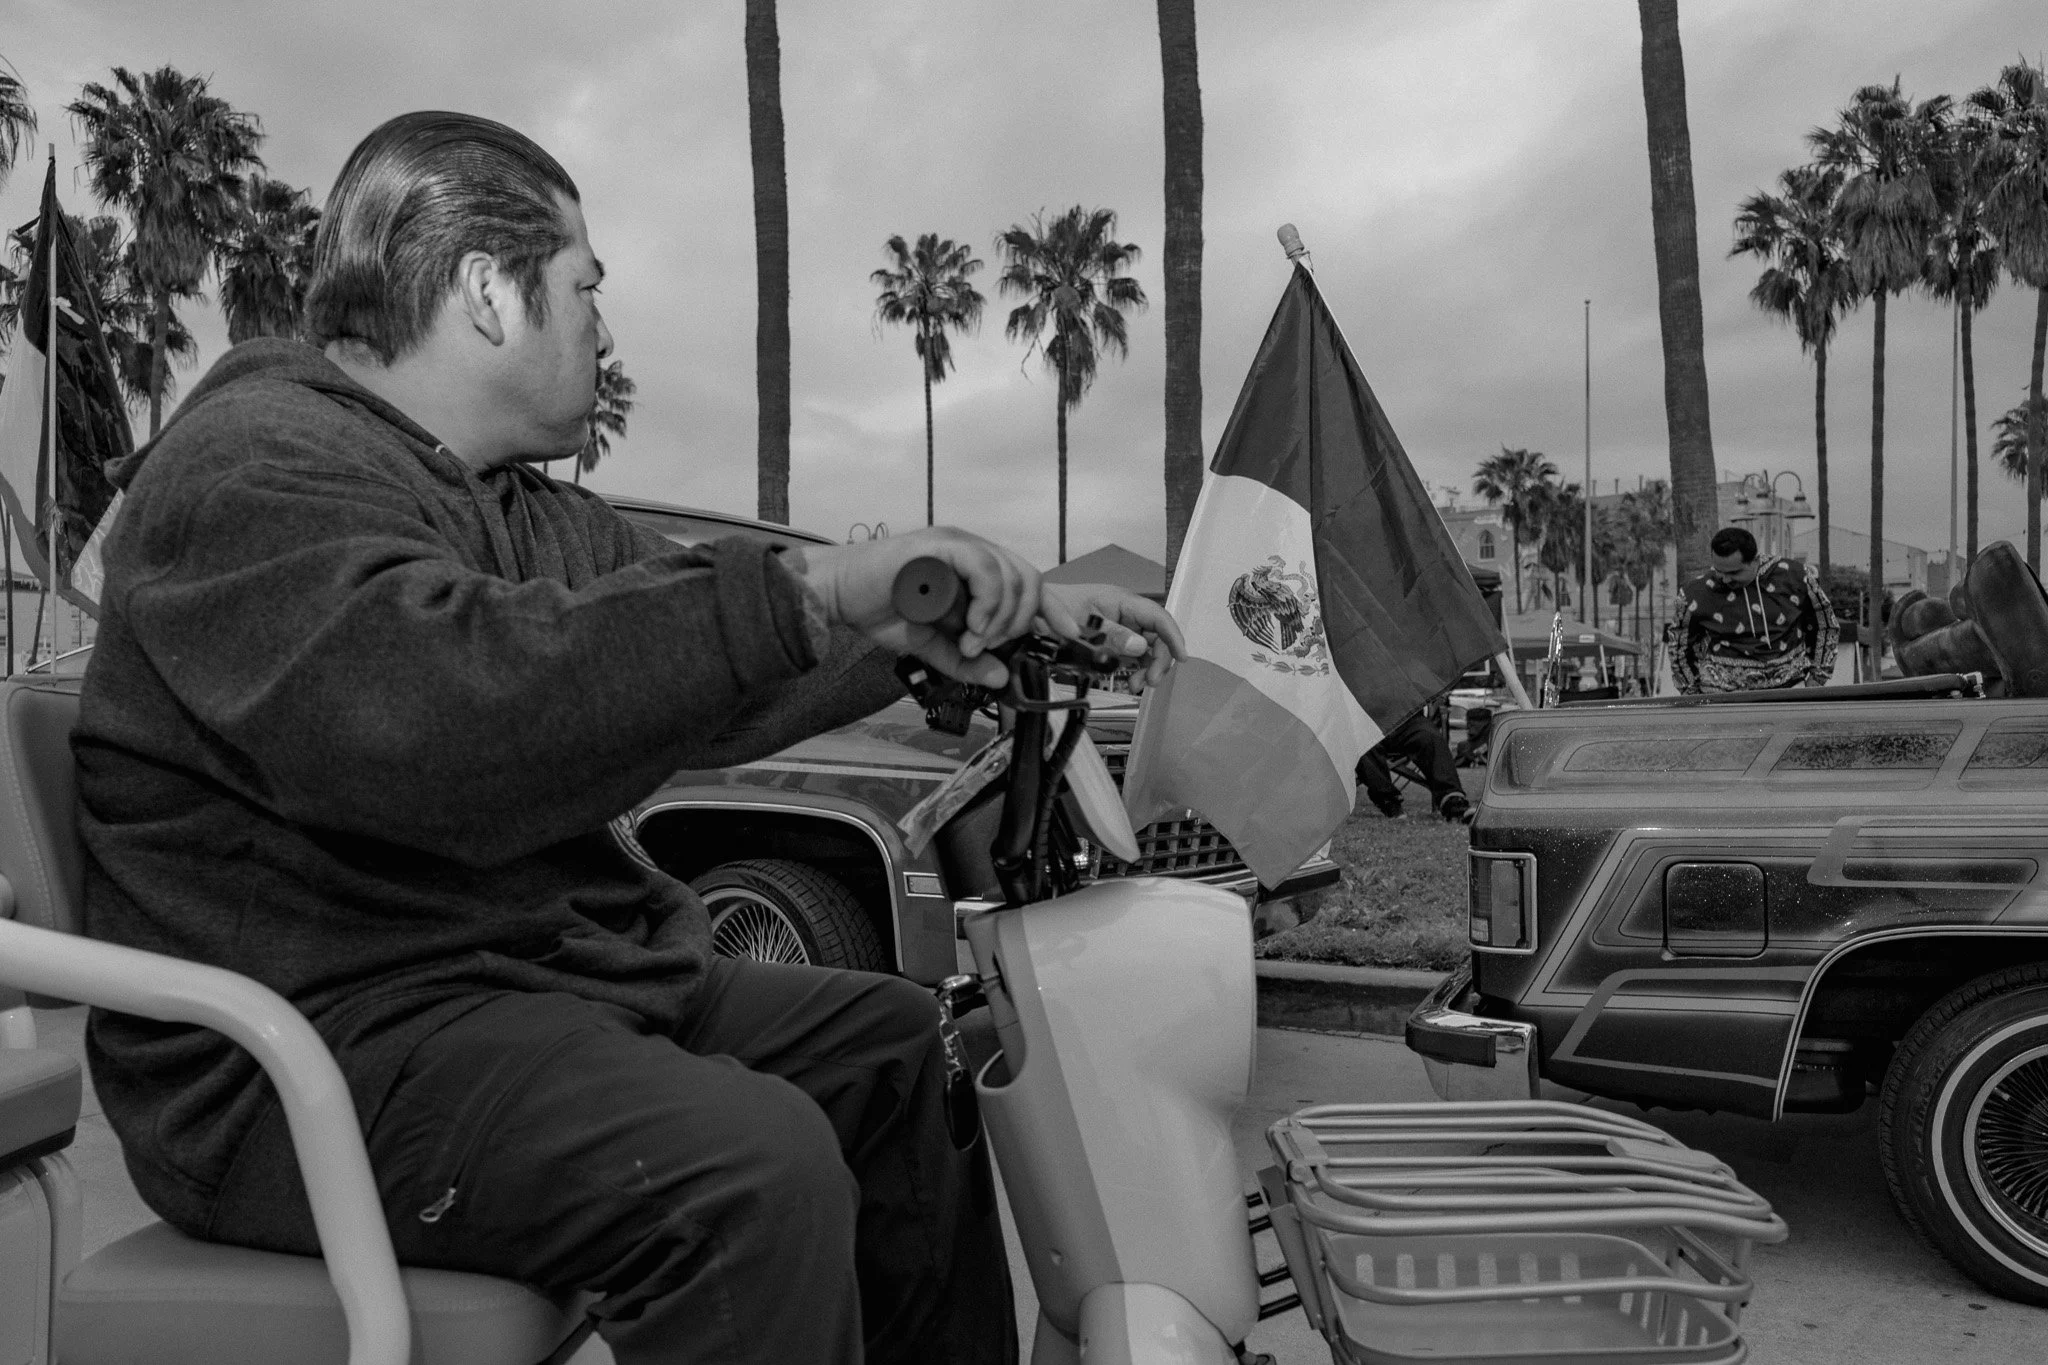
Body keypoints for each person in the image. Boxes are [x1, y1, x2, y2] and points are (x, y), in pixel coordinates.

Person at [72, 111, 1182, 1365]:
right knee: (743, 1173)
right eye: (583, 286)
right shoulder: (253, 467)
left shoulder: (518, 510)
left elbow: (697, 663)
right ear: (490, 292)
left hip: (518, 990)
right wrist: (818, 590)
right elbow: (445, 715)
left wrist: (964, 616)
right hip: (319, 1051)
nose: (602, 326)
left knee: (890, 1048)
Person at [1665, 526, 1837, 695]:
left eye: (1734, 572)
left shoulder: (1796, 577)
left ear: (1755, 560)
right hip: (1723, 700)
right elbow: (1679, 647)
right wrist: (1694, 697)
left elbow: (1825, 624)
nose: (1725, 579)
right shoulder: (1696, 593)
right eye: (1719, 571)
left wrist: (1817, 678)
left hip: (1790, 693)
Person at [1355, 694, 1473, 823]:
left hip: (1406, 715)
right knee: (1361, 743)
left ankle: (1452, 799)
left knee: (1430, 737)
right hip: (1365, 719)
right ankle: (1388, 801)